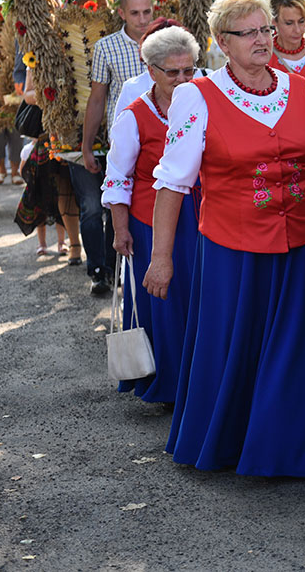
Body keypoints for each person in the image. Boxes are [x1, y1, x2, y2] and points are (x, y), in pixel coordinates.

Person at [143, 0, 305, 478]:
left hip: (303, 242)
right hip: (234, 249)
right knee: (239, 346)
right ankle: (233, 439)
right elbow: (172, 182)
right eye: (249, 32)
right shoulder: (197, 96)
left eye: (267, 29)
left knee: (301, 348)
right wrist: (161, 257)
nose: (262, 39)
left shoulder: (302, 89)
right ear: (221, 41)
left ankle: (303, 447)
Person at [103, 24, 201, 404]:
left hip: (200, 220)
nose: (181, 79)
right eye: (172, 71)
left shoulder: (202, 105)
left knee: (198, 299)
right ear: (151, 70)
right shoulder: (134, 115)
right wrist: (120, 229)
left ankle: (199, 382)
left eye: (188, 70)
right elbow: (117, 177)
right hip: (149, 224)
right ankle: (169, 385)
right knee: (163, 302)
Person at [79, 0, 153, 294]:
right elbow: (97, 99)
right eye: (134, 13)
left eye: (147, 11)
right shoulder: (106, 48)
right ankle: (108, 270)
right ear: (121, 12)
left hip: (162, 140)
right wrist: (86, 145)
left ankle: (140, 268)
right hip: (123, 142)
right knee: (112, 208)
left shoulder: (165, 41)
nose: (142, 19)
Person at [15, 67, 80, 262]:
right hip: (49, 135)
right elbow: (27, 95)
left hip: (77, 128)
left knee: (73, 192)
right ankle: (69, 244)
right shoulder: (35, 60)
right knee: (51, 191)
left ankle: (72, 243)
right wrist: (53, 94)